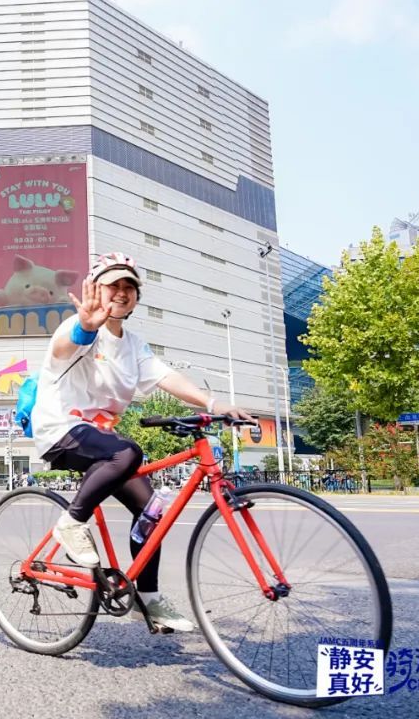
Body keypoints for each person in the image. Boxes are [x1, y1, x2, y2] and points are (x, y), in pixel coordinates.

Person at [31, 252, 255, 632]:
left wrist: (215, 405)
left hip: (100, 439)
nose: (122, 292)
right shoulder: (79, 327)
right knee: (128, 452)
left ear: (136, 297)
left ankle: (147, 600)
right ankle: (71, 523)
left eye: (129, 286)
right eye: (112, 285)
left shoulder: (134, 346)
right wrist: (85, 326)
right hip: (60, 429)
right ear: (95, 290)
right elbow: (62, 350)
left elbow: (168, 378)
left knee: (152, 511)